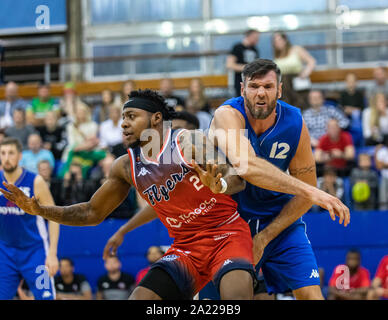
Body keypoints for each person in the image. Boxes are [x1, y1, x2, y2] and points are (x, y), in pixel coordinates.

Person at [103, 60, 350, 300]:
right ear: (242, 90)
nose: (261, 93)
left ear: (280, 90)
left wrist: (266, 236)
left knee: (310, 294)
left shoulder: (295, 121)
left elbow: (305, 190)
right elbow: (246, 166)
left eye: (268, 86)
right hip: (229, 223)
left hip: (279, 220)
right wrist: (312, 192)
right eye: (254, 86)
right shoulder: (227, 115)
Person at [1, 89, 259, 300]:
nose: (123, 122)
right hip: (186, 247)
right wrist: (40, 210)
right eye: (123, 117)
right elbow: (91, 213)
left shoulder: (187, 141)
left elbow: (237, 179)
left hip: (225, 234)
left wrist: (219, 185)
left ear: (156, 119)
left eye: (132, 116)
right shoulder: (125, 166)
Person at [0, 137, 59, 300]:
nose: (6, 157)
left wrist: (52, 253)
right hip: (5, 252)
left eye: (11, 153)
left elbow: (54, 217)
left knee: (46, 297)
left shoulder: (35, 181)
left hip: (35, 252)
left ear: (20, 156)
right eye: (3, 153)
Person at [272, 32, 316, 110]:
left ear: (285, 40)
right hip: (284, 84)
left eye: (279, 40)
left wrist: (305, 73)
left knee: (301, 105)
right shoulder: (277, 55)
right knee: (286, 107)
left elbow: (311, 61)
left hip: (298, 81)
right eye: (275, 41)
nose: (277, 43)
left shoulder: (296, 49)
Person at [226, 29, 260, 97]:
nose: (257, 40)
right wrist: (248, 68)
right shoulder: (237, 47)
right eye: (256, 38)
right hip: (240, 82)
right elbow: (229, 65)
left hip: (252, 81)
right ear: (249, 36)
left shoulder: (255, 50)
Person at [375, 142, 388, 210]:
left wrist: (384, 164)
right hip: (384, 177)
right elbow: (379, 166)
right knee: (383, 201)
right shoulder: (382, 151)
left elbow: (381, 164)